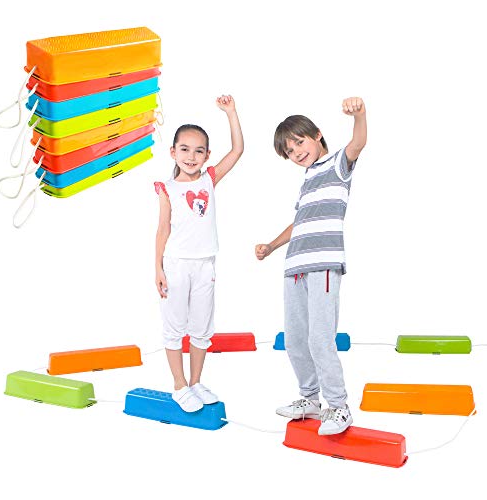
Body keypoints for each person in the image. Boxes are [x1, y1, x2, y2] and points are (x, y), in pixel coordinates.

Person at [255, 97, 366, 435]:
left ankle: (339, 406)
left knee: (320, 338)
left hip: (323, 266)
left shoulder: (337, 165)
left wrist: (360, 115)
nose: (296, 152)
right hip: (295, 267)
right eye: (289, 151)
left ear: (317, 135)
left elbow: (358, 142)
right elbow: (299, 223)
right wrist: (271, 246)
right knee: (295, 340)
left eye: (299, 142)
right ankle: (310, 399)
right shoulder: (307, 180)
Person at [154, 95, 243, 412]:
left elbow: (237, 150)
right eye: (185, 149)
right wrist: (158, 269)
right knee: (174, 327)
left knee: (202, 328)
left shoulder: (209, 179)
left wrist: (231, 113)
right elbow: (162, 229)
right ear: (173, 152)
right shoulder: (167, 188)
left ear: (207, 155)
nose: (191, 156)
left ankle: (195, 382)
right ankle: (179, 385)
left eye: (198, 151)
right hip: (176, 265)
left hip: (206, 264)